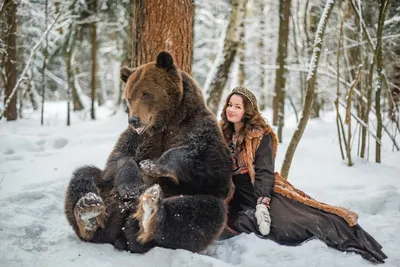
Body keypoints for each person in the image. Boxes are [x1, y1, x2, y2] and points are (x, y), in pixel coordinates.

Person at [220, 86, 387, 264]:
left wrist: (262, 204)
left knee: (292, 224)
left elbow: (264, 172)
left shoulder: (261, 136)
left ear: (247, 110)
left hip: (262, 192)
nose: (231, 109)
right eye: (230, 104)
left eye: (238, 106)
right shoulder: (221, 133)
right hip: (236, 198)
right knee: (234, 224)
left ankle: (349, 235)